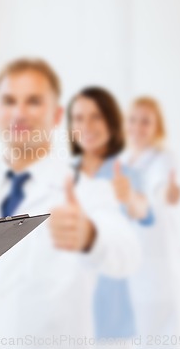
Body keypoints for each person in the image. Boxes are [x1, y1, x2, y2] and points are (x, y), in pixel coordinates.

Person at [0, 58, 141, 349]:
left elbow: (127, 255)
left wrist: (90, 236)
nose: (19, 112)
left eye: (33, 101)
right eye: (9, 101)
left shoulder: (87, 192)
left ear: (56, 114)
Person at [67, 87, 154, 341]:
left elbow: (145, 213)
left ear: (111, 121)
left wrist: (130, 200)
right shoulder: (62, 175)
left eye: (96, 116)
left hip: (111, 316)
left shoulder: (126, 174)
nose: (87, 125)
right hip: (66, 312)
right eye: (79, 118)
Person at [121, 96, 180, 345]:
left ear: (158, 126)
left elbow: (163, 188)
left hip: (157, 267)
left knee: (159, 336)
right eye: (133, 120)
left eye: (145, 122)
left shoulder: (163, 158)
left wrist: (168, 192)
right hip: (132, 266)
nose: (137, 127)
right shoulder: (123, 163)